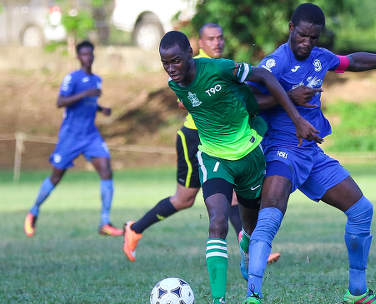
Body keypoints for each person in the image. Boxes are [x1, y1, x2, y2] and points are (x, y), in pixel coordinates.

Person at [241, 3, 376, 304]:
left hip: (312, 154)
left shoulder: (320, 58)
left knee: (361, 210)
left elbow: (352, 60)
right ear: (291, 28)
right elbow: (246, 103)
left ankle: (357, 292)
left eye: (313, 38)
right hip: (280, 150)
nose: (306, 43)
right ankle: (253, 296)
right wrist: (288, 98)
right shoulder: (274, 63)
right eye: (302, 35)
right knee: (270, 218)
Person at [158, 30, 320, 304]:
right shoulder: (176, 84)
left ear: (190, 56)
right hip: (215, 158)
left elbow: (263, 78)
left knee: (250, 227)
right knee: (217, 221)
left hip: (249, 155)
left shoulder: (220, 68)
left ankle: (246, 247)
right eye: (165, 63)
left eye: (176, 61)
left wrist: (295, 115)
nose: (171, 69)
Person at [122, 23, 281, 266]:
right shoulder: (189, 64)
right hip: (193, 137)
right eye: (210, 39)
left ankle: (250, 246)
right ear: (198, 45)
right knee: (184, 199)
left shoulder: (223, 65)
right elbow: (183, 100)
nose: (216, 43)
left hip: (227, 141)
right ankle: (135, 228)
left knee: (234, 195)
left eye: (220, 38)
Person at [24, 40, 122, 237]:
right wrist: (85, 93)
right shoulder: (72, 78)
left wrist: (102, 109)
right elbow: (60, 102)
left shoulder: (97, 80)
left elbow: (89, 104)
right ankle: (33, 210)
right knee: (56, 176)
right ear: (78, 57)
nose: (88, 57)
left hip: (90, 135)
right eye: (84, 54)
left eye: (90, 53)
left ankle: (104, 222)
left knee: (106, 169)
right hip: (70, 136)